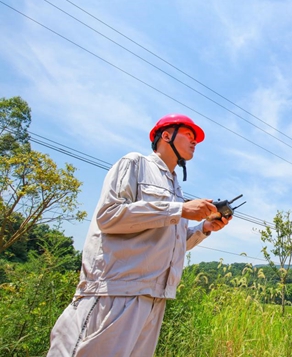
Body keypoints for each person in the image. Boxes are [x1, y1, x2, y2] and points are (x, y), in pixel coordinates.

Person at [47, 114, 231, 357]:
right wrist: (179, 209)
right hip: (115, 291)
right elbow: (109, 216)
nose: (194, 140)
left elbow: (168, 243)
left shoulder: (176, 188)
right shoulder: (135, 164)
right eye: (188, 134)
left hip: (154, 298)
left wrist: (204, 229)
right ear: (166, 135)